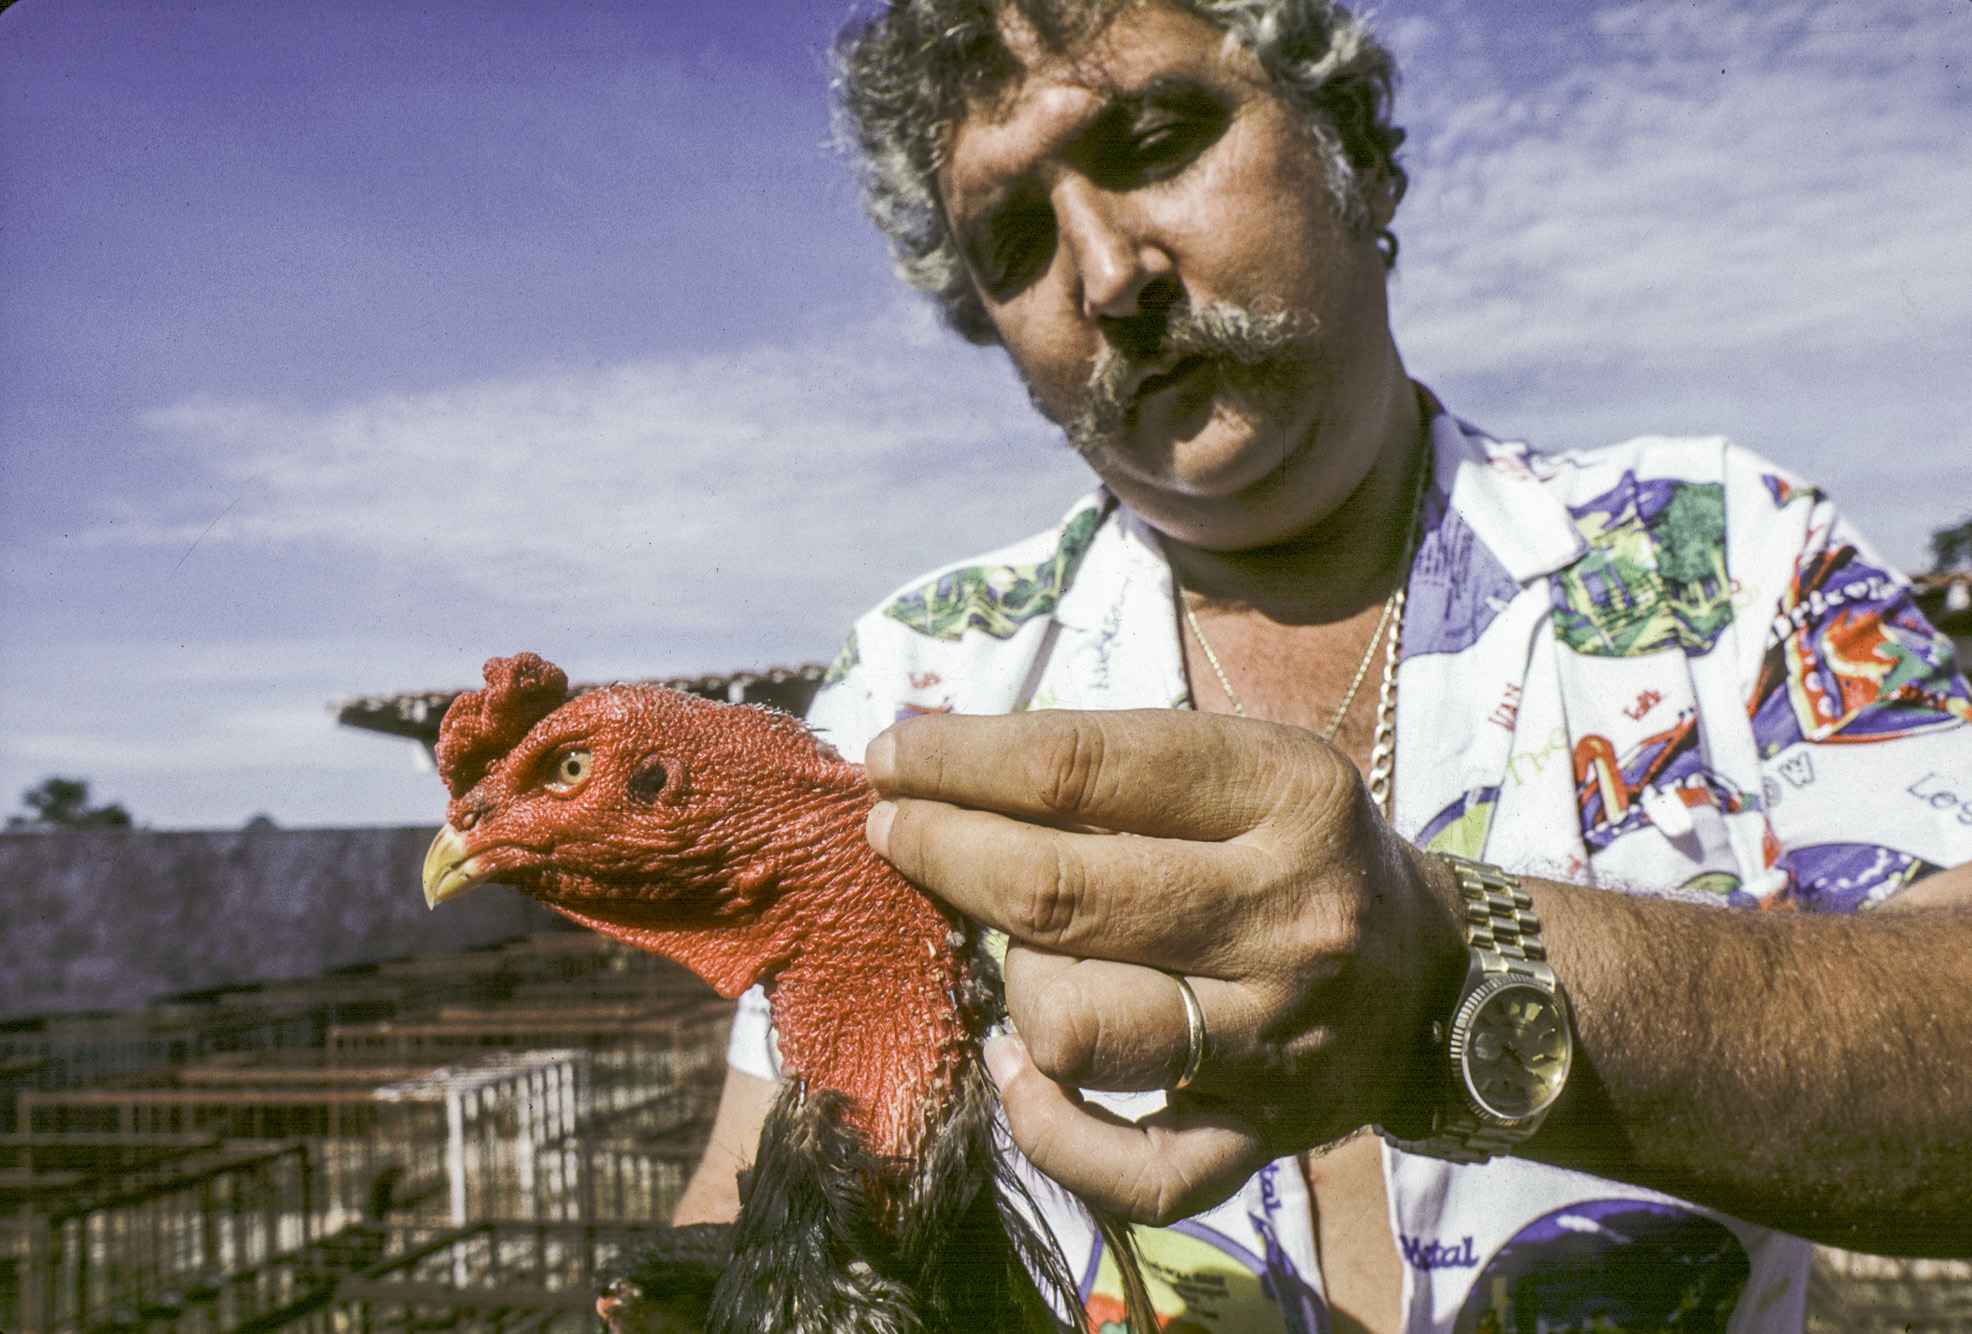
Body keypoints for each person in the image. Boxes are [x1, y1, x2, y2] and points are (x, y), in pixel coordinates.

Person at [673, 1, 1972, 1329]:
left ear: (1347, 136)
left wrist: (1449, 979)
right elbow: (753, 1195)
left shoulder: (1728, 559)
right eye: (1012, 240)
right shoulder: (916, 684)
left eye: (1159, 138)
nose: (1108, 274)